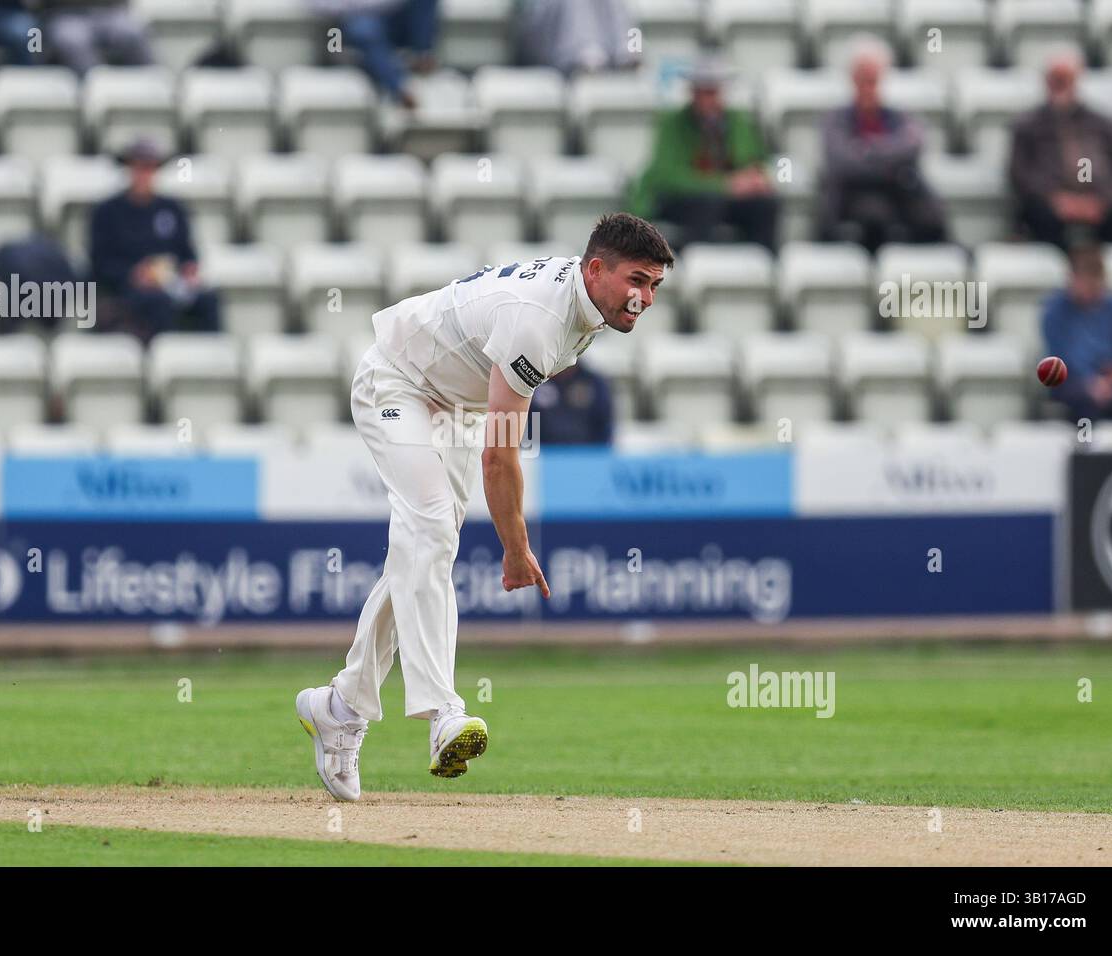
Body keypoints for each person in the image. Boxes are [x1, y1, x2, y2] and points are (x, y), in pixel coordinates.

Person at [295, 213, 674, 801]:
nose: (645, 298)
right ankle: (443, 712)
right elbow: (501, 457)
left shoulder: (589, 308)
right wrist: (517, 548)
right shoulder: (542, 321)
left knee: (421, 550)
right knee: (429, 527)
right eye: (638, 281)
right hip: (397, 382)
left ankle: (341, 705)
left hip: (453, 403)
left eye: (655, 286)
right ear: (596, 268)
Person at [628, 59, 777, 250]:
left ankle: (761, 261)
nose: (706, 100)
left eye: (712, 92)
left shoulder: (738, 121)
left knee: (765, 206)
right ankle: (696, 258)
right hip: (683, 199)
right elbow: (667, 176)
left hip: (724, 199)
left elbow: (757, 159)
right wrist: (725, 185)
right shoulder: (672, 123)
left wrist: (757, 178)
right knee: (707, 203)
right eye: (701, 92)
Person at [817, 35, 946, 253]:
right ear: (853, 80)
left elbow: (912, 146)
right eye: (863, 80)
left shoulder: (899, 117)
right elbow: (843, 162)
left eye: (874, 80)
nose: (869, 88)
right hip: (854, 197)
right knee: (874, 215)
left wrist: (867, 149)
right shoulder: (836, 120)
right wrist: (887, 161)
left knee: (931, 215)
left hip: (896, 193)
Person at [89, 138, 219, 341]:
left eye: (149, 168)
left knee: (208, 300)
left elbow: (187, 254)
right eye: (139, 167)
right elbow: (99, 263)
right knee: (157, 302)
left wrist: (188, 270)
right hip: (125, 291)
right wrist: (134, 274)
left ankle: (211, 356)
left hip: (170, 284)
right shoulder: (107, 212)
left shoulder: (172, 209)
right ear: (129, 169)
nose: (144, 174)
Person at [1010, 48, 1112, 249]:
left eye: (1065, 78)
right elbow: (1019, 173)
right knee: (1042, 220)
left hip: (1095, 200)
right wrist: (1056, 199)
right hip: (1048, 203)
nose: (1060, 84)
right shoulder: (1027, 125)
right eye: (1055, 78)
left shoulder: (1102, 124)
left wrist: (1097, 200)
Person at [1042, 245, 1112, 422]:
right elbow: (1060, 357)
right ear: (1073, 279)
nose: (1092, 291)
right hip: (1070, 380)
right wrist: (1091, 382)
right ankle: (1087, 446)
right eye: (1087, 283)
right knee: (1086, 401)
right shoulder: (1055, 311)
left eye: (1096, 285)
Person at [310, 0, 439, 108]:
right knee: (365, 30)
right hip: (346, 23)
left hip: (389, 16)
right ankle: (398, 88)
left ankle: (422, 55)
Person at [44, 0, 152, 74]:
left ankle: (151, 93)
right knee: (74, 41)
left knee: (132, 32)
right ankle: (100, 93)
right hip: (64, 14)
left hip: (109, 10)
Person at [527, 363, 614, 445]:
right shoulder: (532, 381)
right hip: (541, 455)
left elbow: (604, 426)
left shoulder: (594, 383)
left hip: (585, 455)